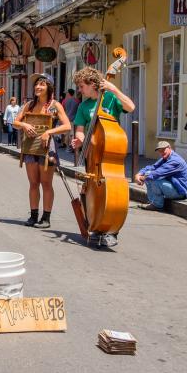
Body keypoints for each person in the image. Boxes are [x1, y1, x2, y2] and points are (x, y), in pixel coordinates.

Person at [70, 66, 136, 247]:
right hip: (93, 157)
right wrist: (80, 141)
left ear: (92, 84)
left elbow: (130, 107)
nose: (80, 90)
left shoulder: (110, 98)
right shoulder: (83, 106)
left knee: (112, 193)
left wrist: (114, 89)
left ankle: (112, 230)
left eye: (82, 86)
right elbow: (80, 131)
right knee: (94, 191)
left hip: (110, 150)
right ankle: (98, 226)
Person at [14, 74, 71, 228]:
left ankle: (46, 218)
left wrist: (49, 132)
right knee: (33, 183)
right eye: (37, 84)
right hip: (31, 148)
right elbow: (15, 122)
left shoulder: (55, 105)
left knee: (46, 183)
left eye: (42, 84)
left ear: (49, 87)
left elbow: (67, 126)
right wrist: (24, 125)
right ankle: (33, 216)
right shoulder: (29, 105)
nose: (38, 87)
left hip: (47, 149)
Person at [135, 141, 187, 211]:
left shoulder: (175, 161)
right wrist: (139, 174)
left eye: (163, 150)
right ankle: (152, 201)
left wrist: (142, 178)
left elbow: (157, 173)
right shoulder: (166, 158)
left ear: (169, 148)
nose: (161, 153)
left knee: (153, 178)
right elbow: (152, 167)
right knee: (148, 173)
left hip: (180, 192)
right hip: (172, 187)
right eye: (159, 151)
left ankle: (157, 205)